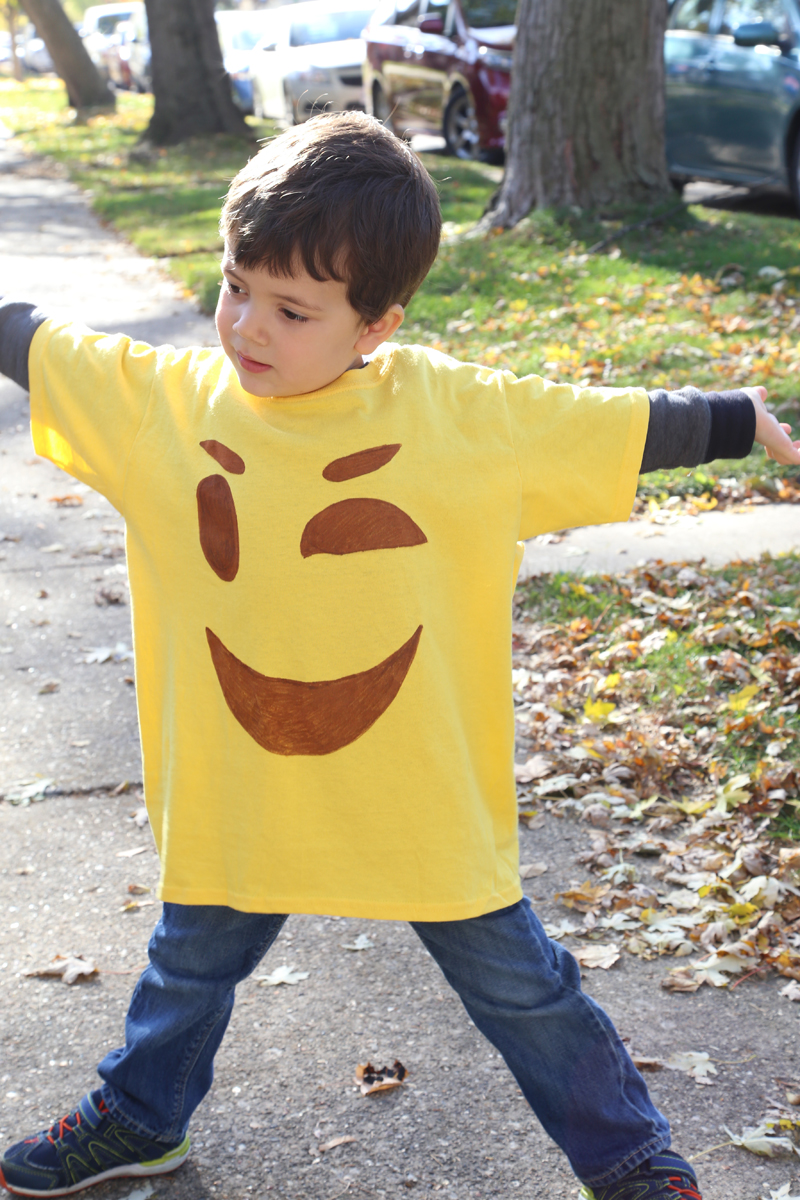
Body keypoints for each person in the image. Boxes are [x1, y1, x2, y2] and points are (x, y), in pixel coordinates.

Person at [0, 112, 797, 1200]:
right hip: (241, 793)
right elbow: (44, 345)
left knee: (522, 990)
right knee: (188, 970)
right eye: (237, 287)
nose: (249, 328)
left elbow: (602, 425)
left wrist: (729, 415)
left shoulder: (454, 417)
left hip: (416, 796)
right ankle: (140, 1116)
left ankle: (629, 1162)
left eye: (293, 310)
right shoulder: (165, 409)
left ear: (377, 324)